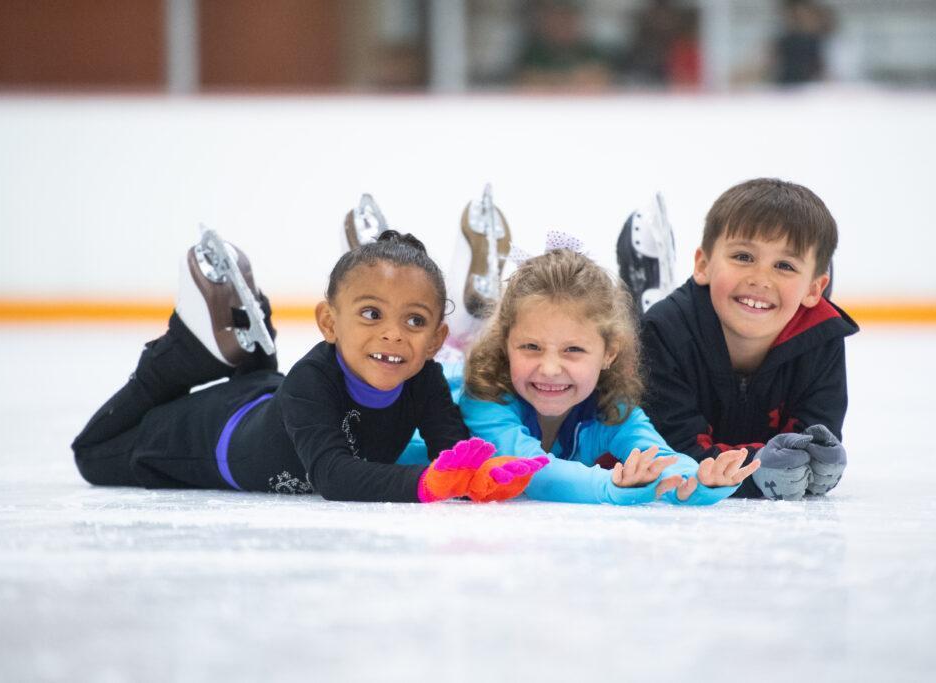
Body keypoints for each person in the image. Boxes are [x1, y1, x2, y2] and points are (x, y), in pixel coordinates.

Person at [71, 228, 548, 503]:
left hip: (266, 397)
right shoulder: (312, 379)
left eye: (415, 321)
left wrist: (483, 475)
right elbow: (333, 475)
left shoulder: (424, 379)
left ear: (436, 342)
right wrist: (429, 483)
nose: (394, 334)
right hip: (200, 437)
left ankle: (254, 356)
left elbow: (454, 449)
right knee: (91, 452)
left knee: (271, 393)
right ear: (328, 322)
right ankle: (177, 358)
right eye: (371, 314)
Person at [458, 246, 760, 505]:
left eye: (573, 349)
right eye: (530, 347)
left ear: (609, 353)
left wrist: (699, 481)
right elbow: (530, 473)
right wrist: (610, 487)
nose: (549, 368)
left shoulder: (610, 409)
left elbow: (660, 458)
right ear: (505, 344)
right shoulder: (485, 397)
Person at [639, 178, 859, 501]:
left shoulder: (823, 337)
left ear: (815, 289)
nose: (760, 279)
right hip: (671, 326)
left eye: (784, 265)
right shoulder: (663, 333)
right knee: (632, 340)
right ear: (703, 264)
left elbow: (814, 447)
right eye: (743, 257)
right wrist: (761, 471)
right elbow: (675, 454)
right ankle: (643, 295)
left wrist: (814, 462)